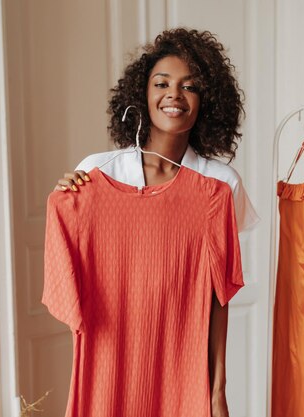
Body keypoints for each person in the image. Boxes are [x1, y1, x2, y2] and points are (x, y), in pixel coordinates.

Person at [52, 28, 258, 417]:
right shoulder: (95, 173)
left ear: (207, 101)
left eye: (189, 86)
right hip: (110, 366)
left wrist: (217, 392)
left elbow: (218, 299)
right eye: (161, 83)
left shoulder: (220, 187)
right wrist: (68, 201)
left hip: (183, 372)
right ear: (141, 94)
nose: (174, 95)